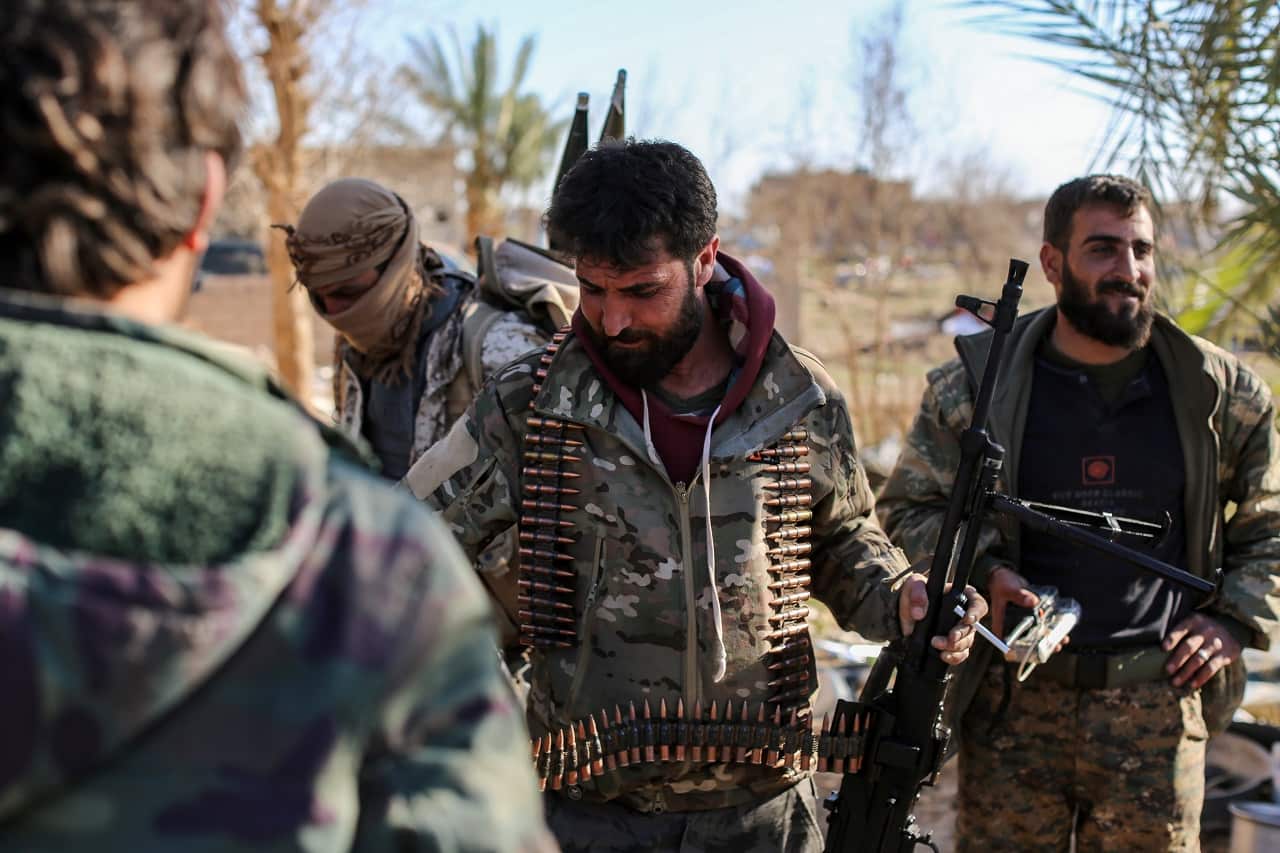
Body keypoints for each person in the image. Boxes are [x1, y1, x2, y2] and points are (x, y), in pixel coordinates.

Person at [0, 2, 554, 850]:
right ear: (206, 199)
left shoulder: (494, 353)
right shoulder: (362, 559)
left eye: (350, 294)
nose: (337, 315)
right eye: (321, 300)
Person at [402, 138, 987, 853]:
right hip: (589, 810)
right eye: (592, 289)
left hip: (765, 813)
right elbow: (399, 544)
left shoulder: (797, 398)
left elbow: (842, 538)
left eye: (642, 290)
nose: (611, 321)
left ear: (705, 259)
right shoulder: (532, 404)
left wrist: (903, 597)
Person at [878, 174, 1280, 852]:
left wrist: (1234, 619)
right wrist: (988, 575)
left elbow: (1270, 520)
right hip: (1011, 708)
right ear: (1052, 262)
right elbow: (909, 510)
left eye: (1141, 250)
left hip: (1157, 709)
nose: (1129, 270)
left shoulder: (1220, 392)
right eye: (1102, 249)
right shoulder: (975, 389)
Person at [282, 178, 573, 481]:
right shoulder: (352, 348)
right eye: (319, 294)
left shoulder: (497, 346)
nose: (334, 311)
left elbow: (554, 482)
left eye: (347, 290)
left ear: (395, 263)